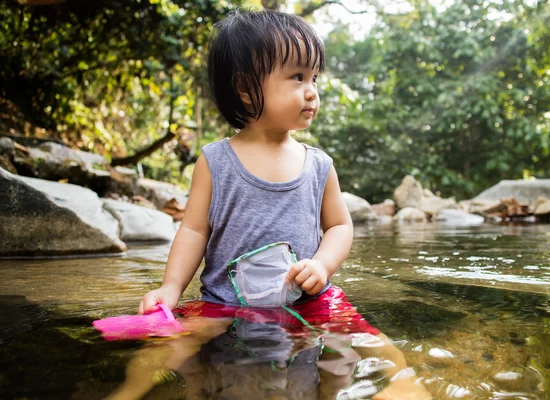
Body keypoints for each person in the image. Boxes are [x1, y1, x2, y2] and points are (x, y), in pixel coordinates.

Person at [128, 8, 430, 400]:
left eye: (315, 77)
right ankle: (136, 390)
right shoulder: (215, 161)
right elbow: (194, 230)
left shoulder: (320, 165)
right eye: (297, 77)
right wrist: (170, 289)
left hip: (308, 302)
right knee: (168, 345)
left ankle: (390, 386)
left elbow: (340, 226)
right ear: (245, 87)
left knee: (369, 342)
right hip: (225, 305)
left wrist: (322, 265)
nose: (312, 90)